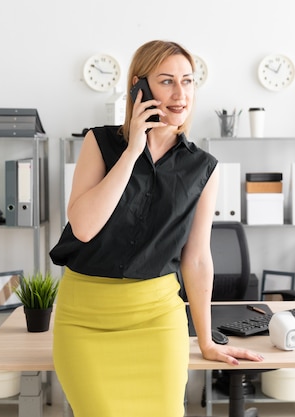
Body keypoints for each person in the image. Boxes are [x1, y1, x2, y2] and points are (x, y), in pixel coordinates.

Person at [49, 40, 264, 417]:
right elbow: (83, 227)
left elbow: (196, 259)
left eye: (188, 81)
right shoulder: (99, 143)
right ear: (139, 87)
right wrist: (133, 149)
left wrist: (207, 340)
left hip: (157, 320)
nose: (180, 94)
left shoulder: (204, 167)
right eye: (167, 81)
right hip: (84, 319)